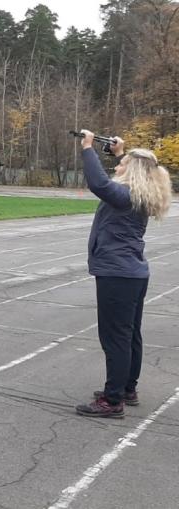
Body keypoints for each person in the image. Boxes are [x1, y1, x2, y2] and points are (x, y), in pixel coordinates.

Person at [74, 131, 172, 418]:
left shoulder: (126, 196)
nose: (117, 167)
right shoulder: (137, 194)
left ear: (132, 171)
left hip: (118, 274)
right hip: (131, 274)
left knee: (115, 337)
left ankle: (112, 399)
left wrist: (88, 148)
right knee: (129, 336)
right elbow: (115, 180)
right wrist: (120, 152)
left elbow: (99, 184)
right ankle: (127, 388)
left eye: (122, 164)